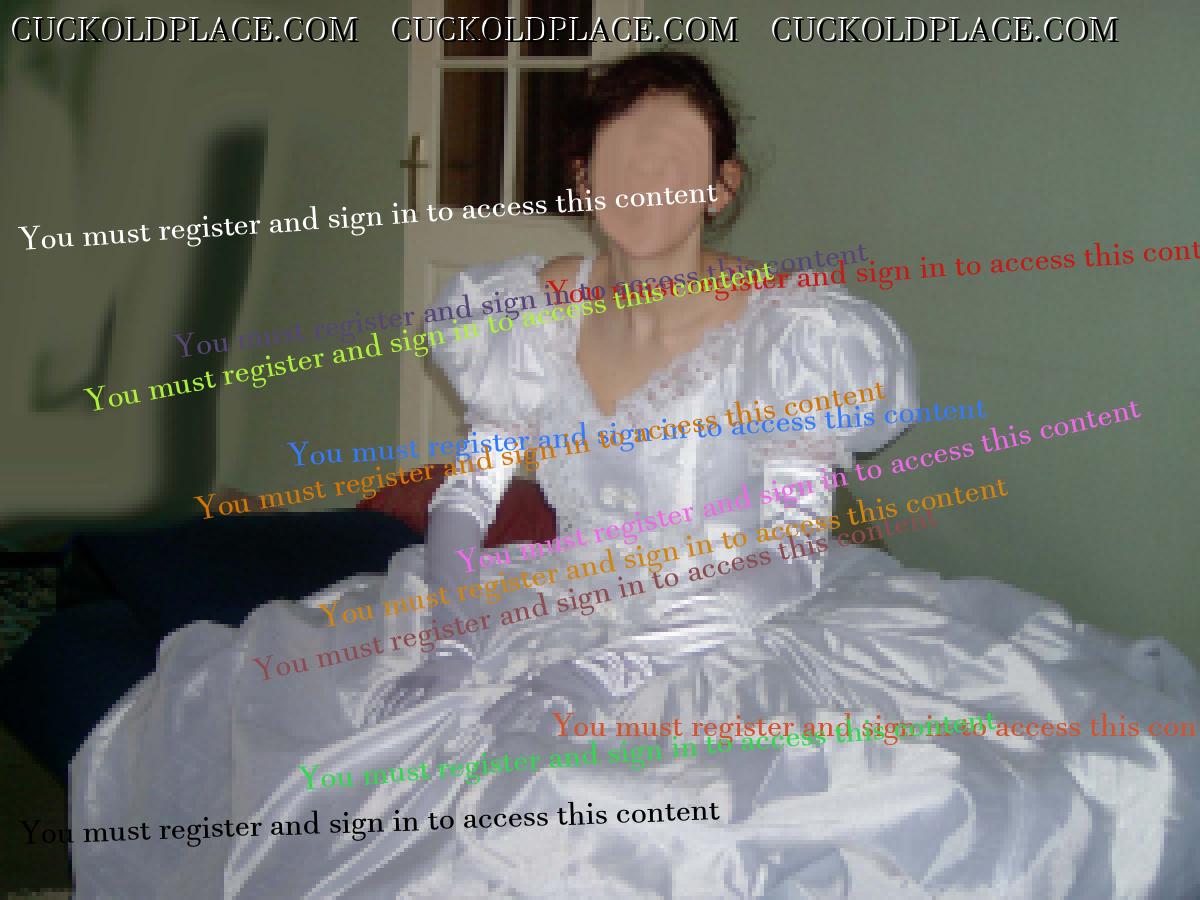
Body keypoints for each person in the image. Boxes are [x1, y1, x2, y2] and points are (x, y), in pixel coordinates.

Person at [71, 52, 1200, 898]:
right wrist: (457, 633)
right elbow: (470, 494)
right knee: (273, 732)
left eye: (676, 162)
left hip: (742, 620)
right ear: (582, 178)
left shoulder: (795, 334)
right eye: (621, 159)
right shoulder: (526, 312)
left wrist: (602, 675)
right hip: (546, 596)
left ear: (721, 184)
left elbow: (789, 558)